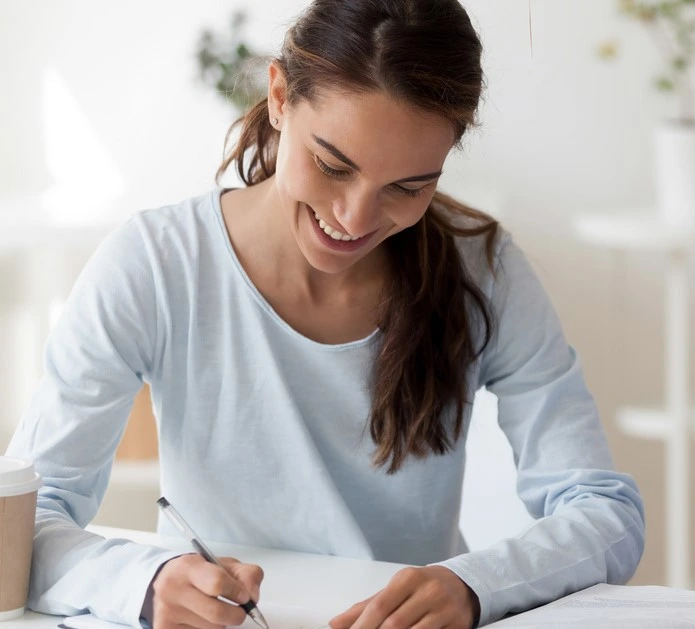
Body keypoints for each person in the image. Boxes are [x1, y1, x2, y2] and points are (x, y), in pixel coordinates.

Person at [5, 1, 645, 628]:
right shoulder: (155, 264)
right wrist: (145, 582)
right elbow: (21, 519)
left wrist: (475, 585)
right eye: (332, 165)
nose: (355, 219)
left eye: (408, 187)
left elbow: (604, 510)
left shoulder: (484, 269)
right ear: (279, 96)